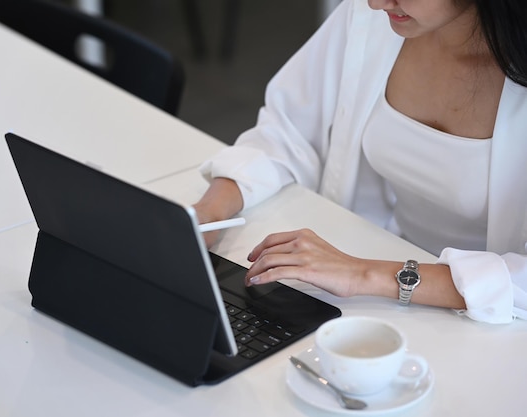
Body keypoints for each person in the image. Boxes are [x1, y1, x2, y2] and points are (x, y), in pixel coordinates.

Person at [193, 0, 527, 324]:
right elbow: (288, 128)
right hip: (380, 274)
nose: (374, 3)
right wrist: (207, 215)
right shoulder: (376, 21)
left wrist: (365, 273)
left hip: (488, 321)